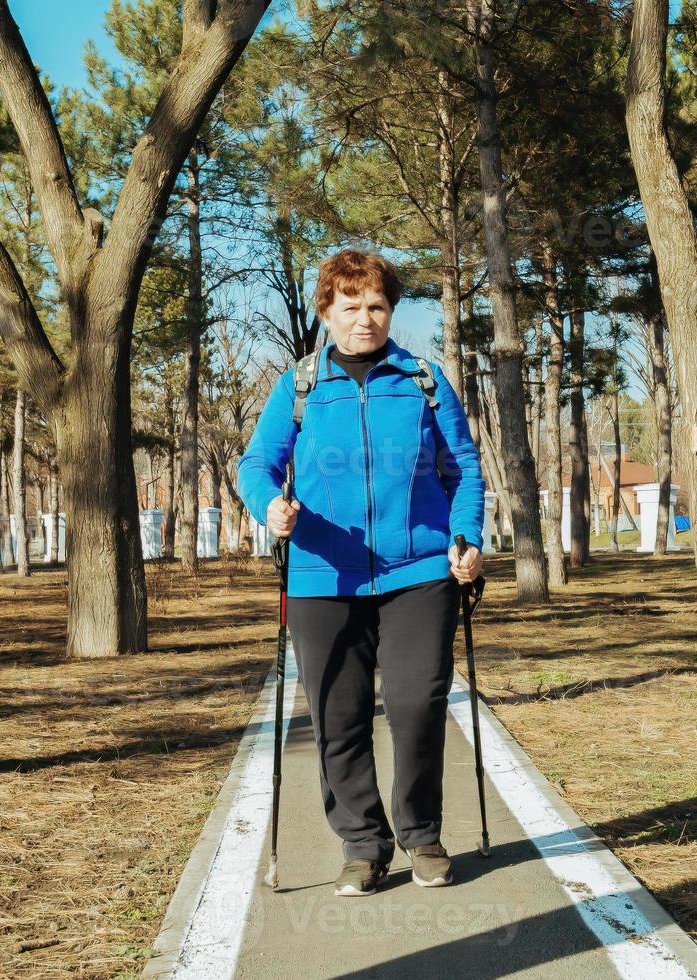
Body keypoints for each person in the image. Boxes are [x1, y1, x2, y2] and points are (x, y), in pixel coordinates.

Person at [237, 249, 485, 897]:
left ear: (391, 311)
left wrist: (467, 539)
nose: (364, 319)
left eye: (376, 306)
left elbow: (462, 468)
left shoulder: (424, 380)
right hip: (323, 577)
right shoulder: (299, 386)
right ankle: (362, 844)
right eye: (350, 307)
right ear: (327, 312)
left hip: (420, 571)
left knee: (417, 704)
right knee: (337, 716)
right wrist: (270, 507)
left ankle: (422, 834)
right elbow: (257, 464)